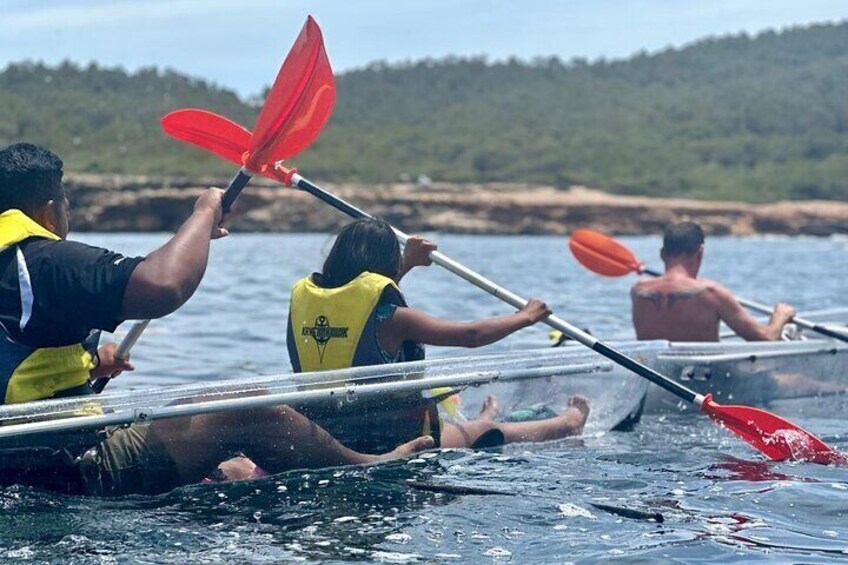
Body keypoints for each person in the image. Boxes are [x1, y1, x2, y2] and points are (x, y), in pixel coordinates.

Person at [0, 143, 433, 496]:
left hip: (25, 462)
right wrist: (203, 213)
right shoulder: (41, 260)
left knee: (237, 467)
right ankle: (367, 466)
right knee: (243, 409)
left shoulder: (16, 273)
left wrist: (91, 363)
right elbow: (163, 285)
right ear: (49, 211)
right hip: (62, 471)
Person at [285, 218, 590, 454]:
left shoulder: (305, 302)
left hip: (322, 432)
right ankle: (569, 423)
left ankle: (485, 414)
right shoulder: (395, 318)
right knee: (488, 432)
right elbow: (470, 336)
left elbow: (361, 306)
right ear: (385, 265)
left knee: (470, 423)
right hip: (386, 441)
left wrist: (409, 261)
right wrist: (524, 317)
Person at [631, 221, 796, 342]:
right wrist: (781, 315)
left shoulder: (638, 291)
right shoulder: (711, 293)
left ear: (662, 254)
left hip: (655, 380)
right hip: (707, 383)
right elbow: (765, 339)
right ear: (700, 253)